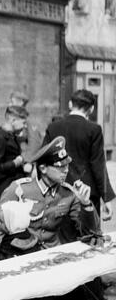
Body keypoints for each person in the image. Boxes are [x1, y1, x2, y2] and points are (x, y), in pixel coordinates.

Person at [0, 136, 98, 300]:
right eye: (60, 166)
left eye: (67, 165)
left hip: (52, 261)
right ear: (44, 168)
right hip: (22, 262)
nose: (66, 170)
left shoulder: (67, 193)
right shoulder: (19, 190)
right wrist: (7, 254)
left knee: (80, 294)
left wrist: (86, 204)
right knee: (44, 299)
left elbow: (90, 233)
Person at [43, 89, 115, 219]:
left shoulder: (53, 127)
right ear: (91, 109)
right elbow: (98, 166)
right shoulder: (94, 129)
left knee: (63, 237)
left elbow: (44, 158)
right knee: (89, 233)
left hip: (59, 192)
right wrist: (106, 197)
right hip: (87, 194)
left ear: (70, 104)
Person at [0, 105, 29, 204]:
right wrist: (15, 163)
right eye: (23, 123)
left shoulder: (12, 137)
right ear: (13, 120)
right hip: (4, 191)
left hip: (14, 189)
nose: (25, 126)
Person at [9, 90, 42, 159]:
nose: (10, 105)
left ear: (21, 103)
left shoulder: (29, 120)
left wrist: (26, 160)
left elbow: (34, 143)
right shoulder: (16, 119)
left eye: (12, 102)